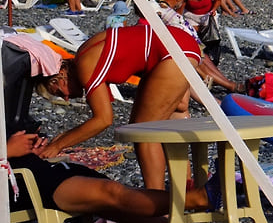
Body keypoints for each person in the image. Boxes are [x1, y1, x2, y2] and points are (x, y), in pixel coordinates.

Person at [7, 130, 232, 223]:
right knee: (112, 194)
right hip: (18, 181)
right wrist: (7, 149)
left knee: (126, 206)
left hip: (31, 168)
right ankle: (199, 199)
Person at [37, 25, 203, 190]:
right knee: (171, 115)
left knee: (143, 132)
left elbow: (103, 120)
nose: (66, 98)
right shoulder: (84, 54)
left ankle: (155, 200)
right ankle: (186, 189)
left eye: (59, 92)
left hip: (171, 52)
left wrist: (57, 146)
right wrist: (63, 138)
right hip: (177, 43)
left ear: (60, 76)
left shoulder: (85, 66)